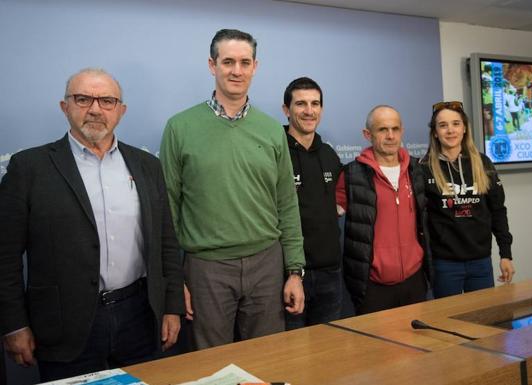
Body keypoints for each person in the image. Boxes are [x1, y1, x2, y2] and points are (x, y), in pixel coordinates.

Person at [0, 68, 184, 381]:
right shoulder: (29, 167)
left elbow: (167, 240)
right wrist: (14, 324)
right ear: (65, 106)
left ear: (121, 111)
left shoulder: (147, 165)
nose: (95, 109)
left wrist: (172, 306)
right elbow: (5, 256)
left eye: (107, 101)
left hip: (139, 315)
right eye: (83, 99)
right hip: (65, 325)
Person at [159, 29, 305, 349]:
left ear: (255, 67)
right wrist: (174, 281)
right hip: (206, 268)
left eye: (244, 62)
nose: (236, 71)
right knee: (212, 364)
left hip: (267, 263)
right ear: (212, 66)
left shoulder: (271, 130)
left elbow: (286, 203)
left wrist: (294, 270)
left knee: (268, 357)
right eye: (228, 62)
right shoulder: (179, 127)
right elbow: (168, 206)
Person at [336, 105, 431, 315]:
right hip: (372, 287)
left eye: (395, 129)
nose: (390, 136)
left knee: (419, 347)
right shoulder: (351, 175)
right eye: (382, 130)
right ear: (367, 134)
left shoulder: (417, 171)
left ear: (402, 131)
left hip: (414, 282)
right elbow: (326, 217)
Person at [420, 101, 515, 299]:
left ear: (464, 128)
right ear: (435, 132)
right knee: (446, 324)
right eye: (443, 125)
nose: (450, 130)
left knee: (483, 323)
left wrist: (505, 254)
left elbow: (498, 211)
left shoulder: (483, 163)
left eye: (456, 124)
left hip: (480, 262)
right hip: (444, 264)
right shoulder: (424, 167)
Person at [281, 77, 342, 329]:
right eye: (301, 104)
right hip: (289, 275)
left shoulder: (329, 154)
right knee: (292, 355)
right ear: (286, 110)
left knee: (328, 354)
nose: (309, 111)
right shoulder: (276, 150)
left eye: (315, 103)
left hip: (330, 273)